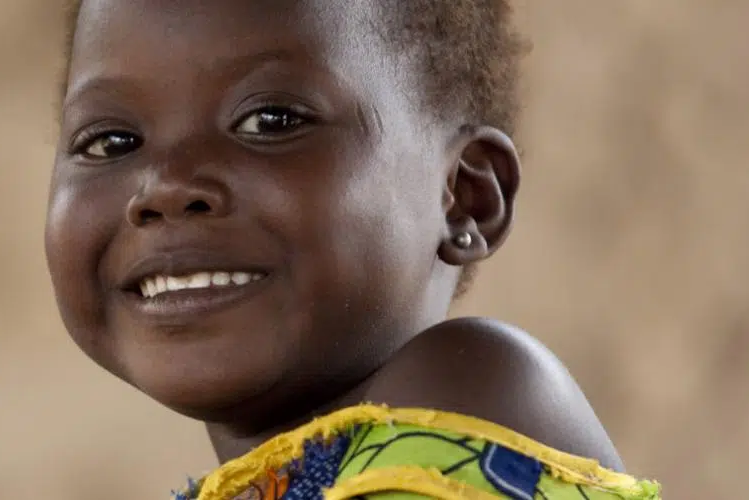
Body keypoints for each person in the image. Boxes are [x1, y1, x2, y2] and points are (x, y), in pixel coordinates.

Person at [42, 0, 662, 498]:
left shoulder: (471, 392)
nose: (168, 186)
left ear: (464, 198)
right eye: (111, 142)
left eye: (271, 121)